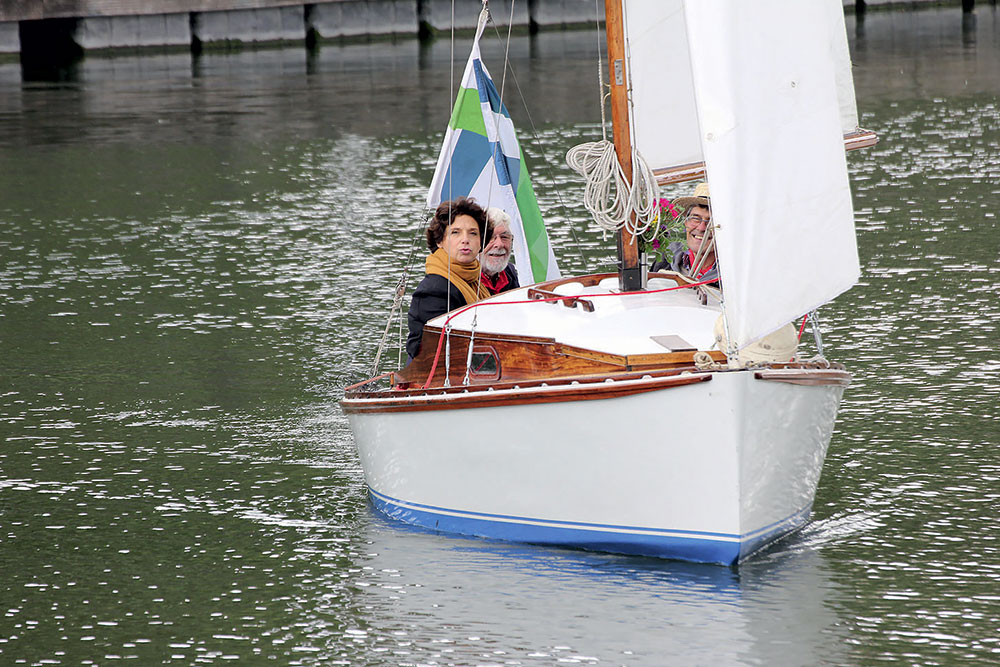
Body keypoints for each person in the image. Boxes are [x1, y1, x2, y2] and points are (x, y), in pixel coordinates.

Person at [406, 197, 493, 361]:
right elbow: (427, 353)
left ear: (481, 242)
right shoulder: (434, 289)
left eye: (473, 233)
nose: (465, 239)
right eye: (455, 232)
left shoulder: (475, 281)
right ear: (440, 241)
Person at [650, 181, 719, 284]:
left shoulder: (733, 271)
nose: (701, 228)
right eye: (695, 219)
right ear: (686, 222)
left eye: (711, 221)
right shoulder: (667, 260)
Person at [479, 207, 520, 295]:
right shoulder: (463, 278)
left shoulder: (509, 272)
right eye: (490, 237)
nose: (499, 244)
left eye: (504, 237)